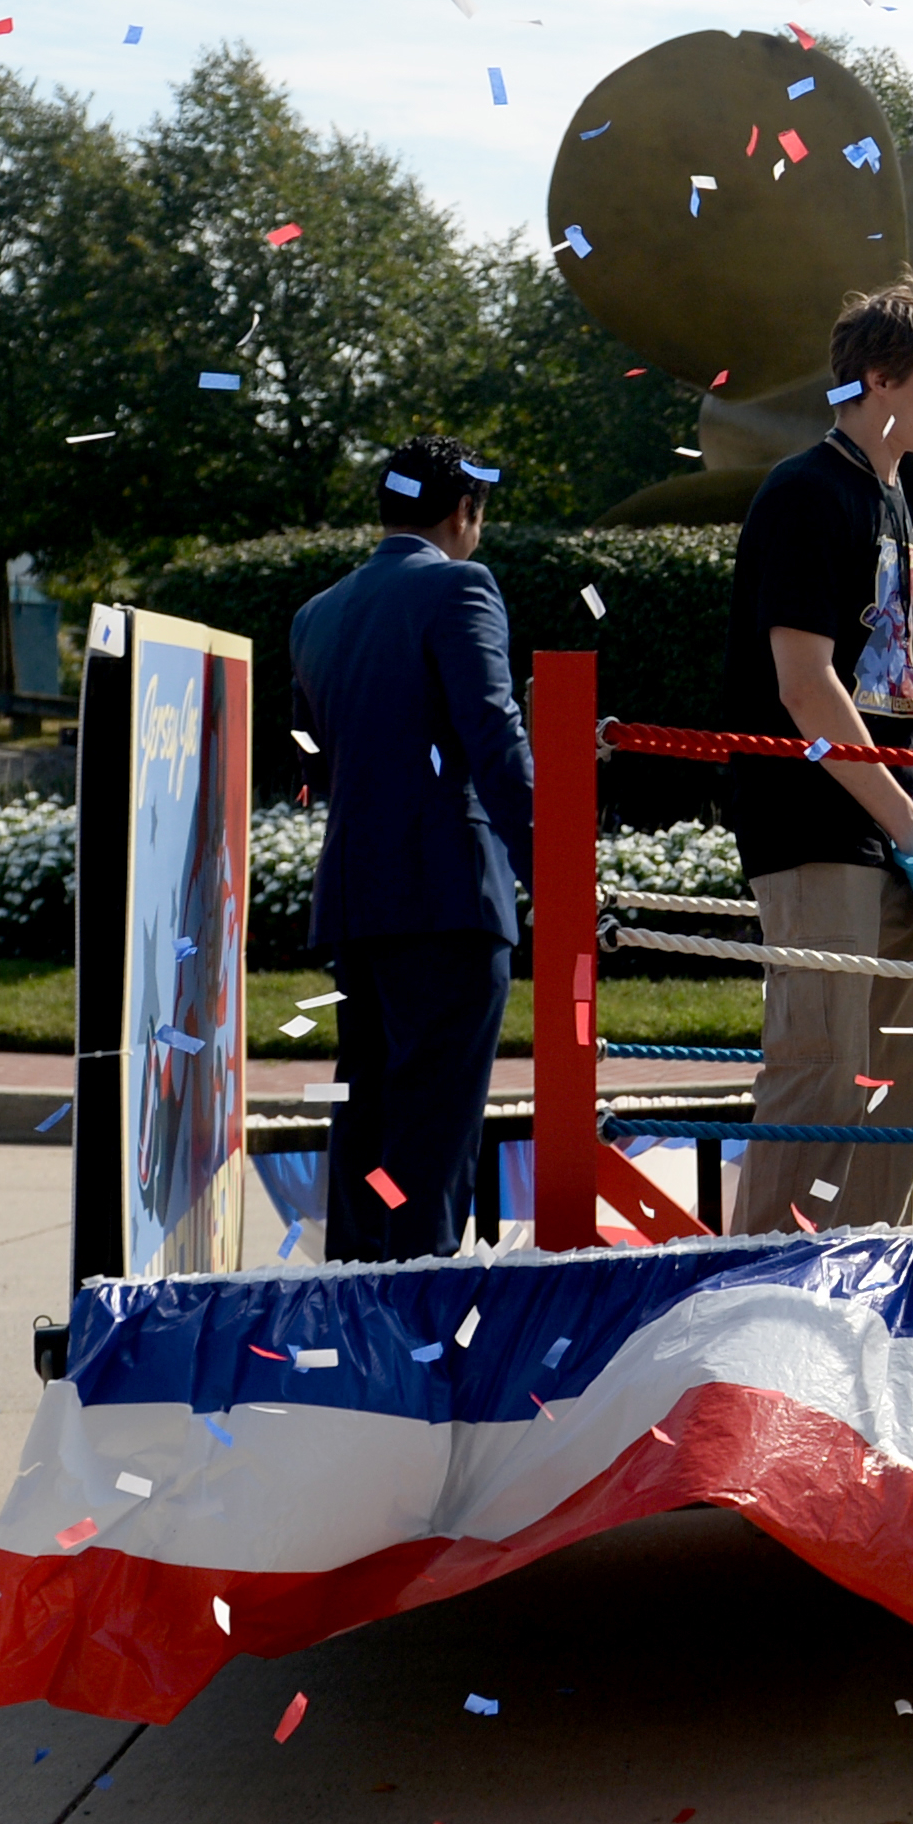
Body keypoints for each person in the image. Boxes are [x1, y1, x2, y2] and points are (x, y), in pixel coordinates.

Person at [720, 283, 913, 1231]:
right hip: (815, 821)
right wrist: (908, 817)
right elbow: (804, 685)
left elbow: (886, 662)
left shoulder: (888, 497)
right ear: (878, 380)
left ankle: (870, 1264)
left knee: (911, 1058)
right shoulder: (805, 492)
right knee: (823, 1063)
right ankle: (756, 1291)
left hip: (888, 822)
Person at [290, 436, 532, 1259]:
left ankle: (353, 1320)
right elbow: (494, 740)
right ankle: (420, 1338)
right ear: (466, 511)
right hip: (448, 898)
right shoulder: (461, 586)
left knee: (366, 1128)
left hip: (357, 900)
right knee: (433, 1138)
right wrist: (555, 869)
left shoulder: (315, 614)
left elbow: (319, 757)